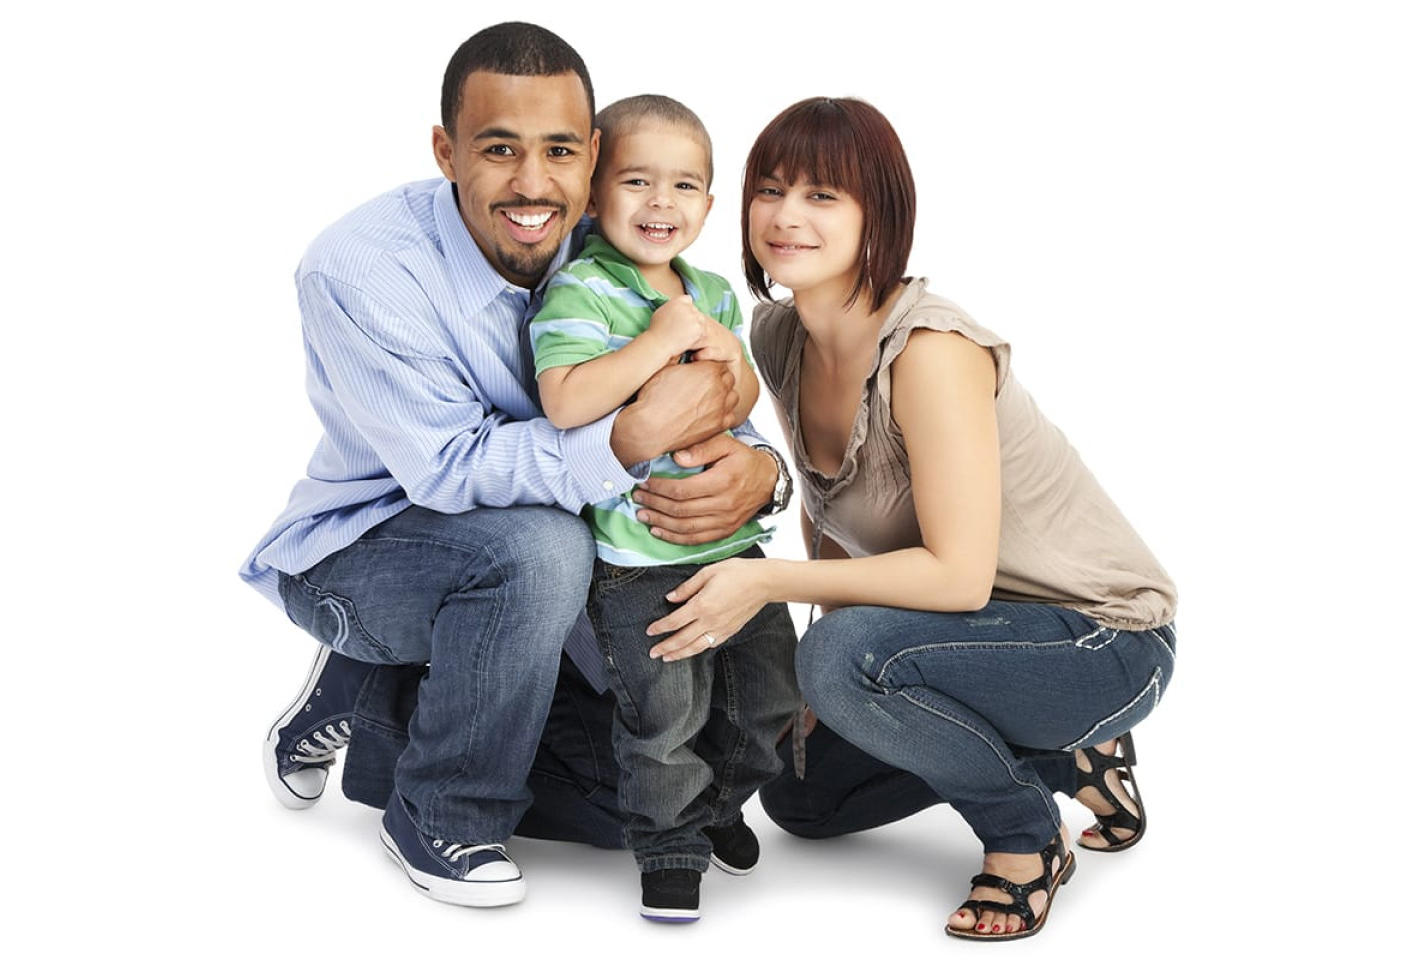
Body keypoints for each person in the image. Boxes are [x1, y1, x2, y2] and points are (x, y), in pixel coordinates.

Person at [241, 22, 788, 909]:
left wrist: (761, 471)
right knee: (538, 548)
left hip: (567, 566)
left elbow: (715, 390)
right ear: (445, 151)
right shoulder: (360, 269)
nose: (533, 185)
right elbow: (452, 471)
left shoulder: (612, 239)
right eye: (499, 150)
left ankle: (375, 708)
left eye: (560, 152)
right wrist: (626, 440)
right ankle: (439, 806)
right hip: (371, 548)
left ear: (594, 156)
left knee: (637, 804)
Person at [645, 97, 1178, 941]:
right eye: (771, 189)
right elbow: (832, 514)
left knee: (835, 660)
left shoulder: (930, 352)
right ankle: (1061, 757)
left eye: (824, 196)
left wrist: (772, 588)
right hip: (958, 640)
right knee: (800, 795)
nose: (786, 216)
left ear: (878, 215)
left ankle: (1024, 840)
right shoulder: (781, 334)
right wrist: (834, 676)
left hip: (1100, 641)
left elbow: (959, 576)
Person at [529, 94, 801, 922]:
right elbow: (565, 400)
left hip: (732, 545)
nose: (661, 204)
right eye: (637, 181)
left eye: (684, 187)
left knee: (768, 695)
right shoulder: (582, 288)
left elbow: (742, 396)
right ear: (595, 192)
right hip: (638, 559)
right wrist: (655, 344)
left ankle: (721, 806)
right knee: (663, 713)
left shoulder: (714, 291)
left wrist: (731, 365)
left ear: (710, 206)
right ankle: (670, 847)